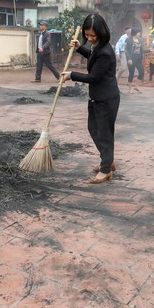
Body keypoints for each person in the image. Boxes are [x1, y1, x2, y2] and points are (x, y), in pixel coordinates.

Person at [61, 14, 120, 184]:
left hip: (106, 99)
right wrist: (80, 47)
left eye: (93, 36)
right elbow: (92, 55)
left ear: (102, 33)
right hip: (97, 97)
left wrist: (71, 75)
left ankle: (106, 169)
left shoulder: (106, 52)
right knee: (94, 129)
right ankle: (108, 160)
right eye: (87, 35)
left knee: (104, 134)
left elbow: (93, 77)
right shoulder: (97, 47)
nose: (90, 38)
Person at [125, 27, 144, 94]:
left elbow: (141, 50)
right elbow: (126, 50)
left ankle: (136, 86)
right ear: (135, 33)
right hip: (132, 59)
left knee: (141, 72)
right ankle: (130, 89)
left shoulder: (140, 40)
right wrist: (129, 59)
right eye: (138, 32)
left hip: (138, 59)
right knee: (131, 74)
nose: (139, 33)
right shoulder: (129, 40)